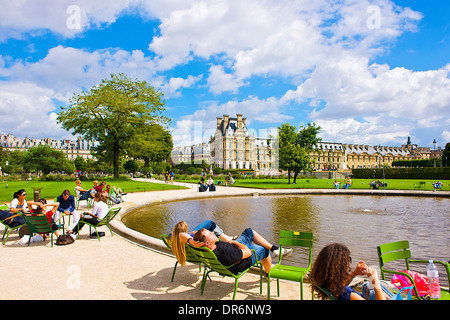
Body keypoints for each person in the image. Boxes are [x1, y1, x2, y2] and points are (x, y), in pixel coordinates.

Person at [193, 227, 293, 275]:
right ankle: (268, 273)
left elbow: (185, 236)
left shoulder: (205, 248)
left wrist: (193, 235)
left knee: (249, 232)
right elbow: (248, 252)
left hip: (233, 251)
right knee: (264, 250)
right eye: (210, 234)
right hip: (243, 258)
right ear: (206, 243)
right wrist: (234, 243)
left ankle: (275, 249)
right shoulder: (225, 252)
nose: (212, 232)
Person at [310, 243, 387, 300]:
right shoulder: (350, 296)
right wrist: (375, 282)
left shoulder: (327, 286)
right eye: (348, 260)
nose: (349, 263)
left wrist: (353, 274)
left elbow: (339, 288)